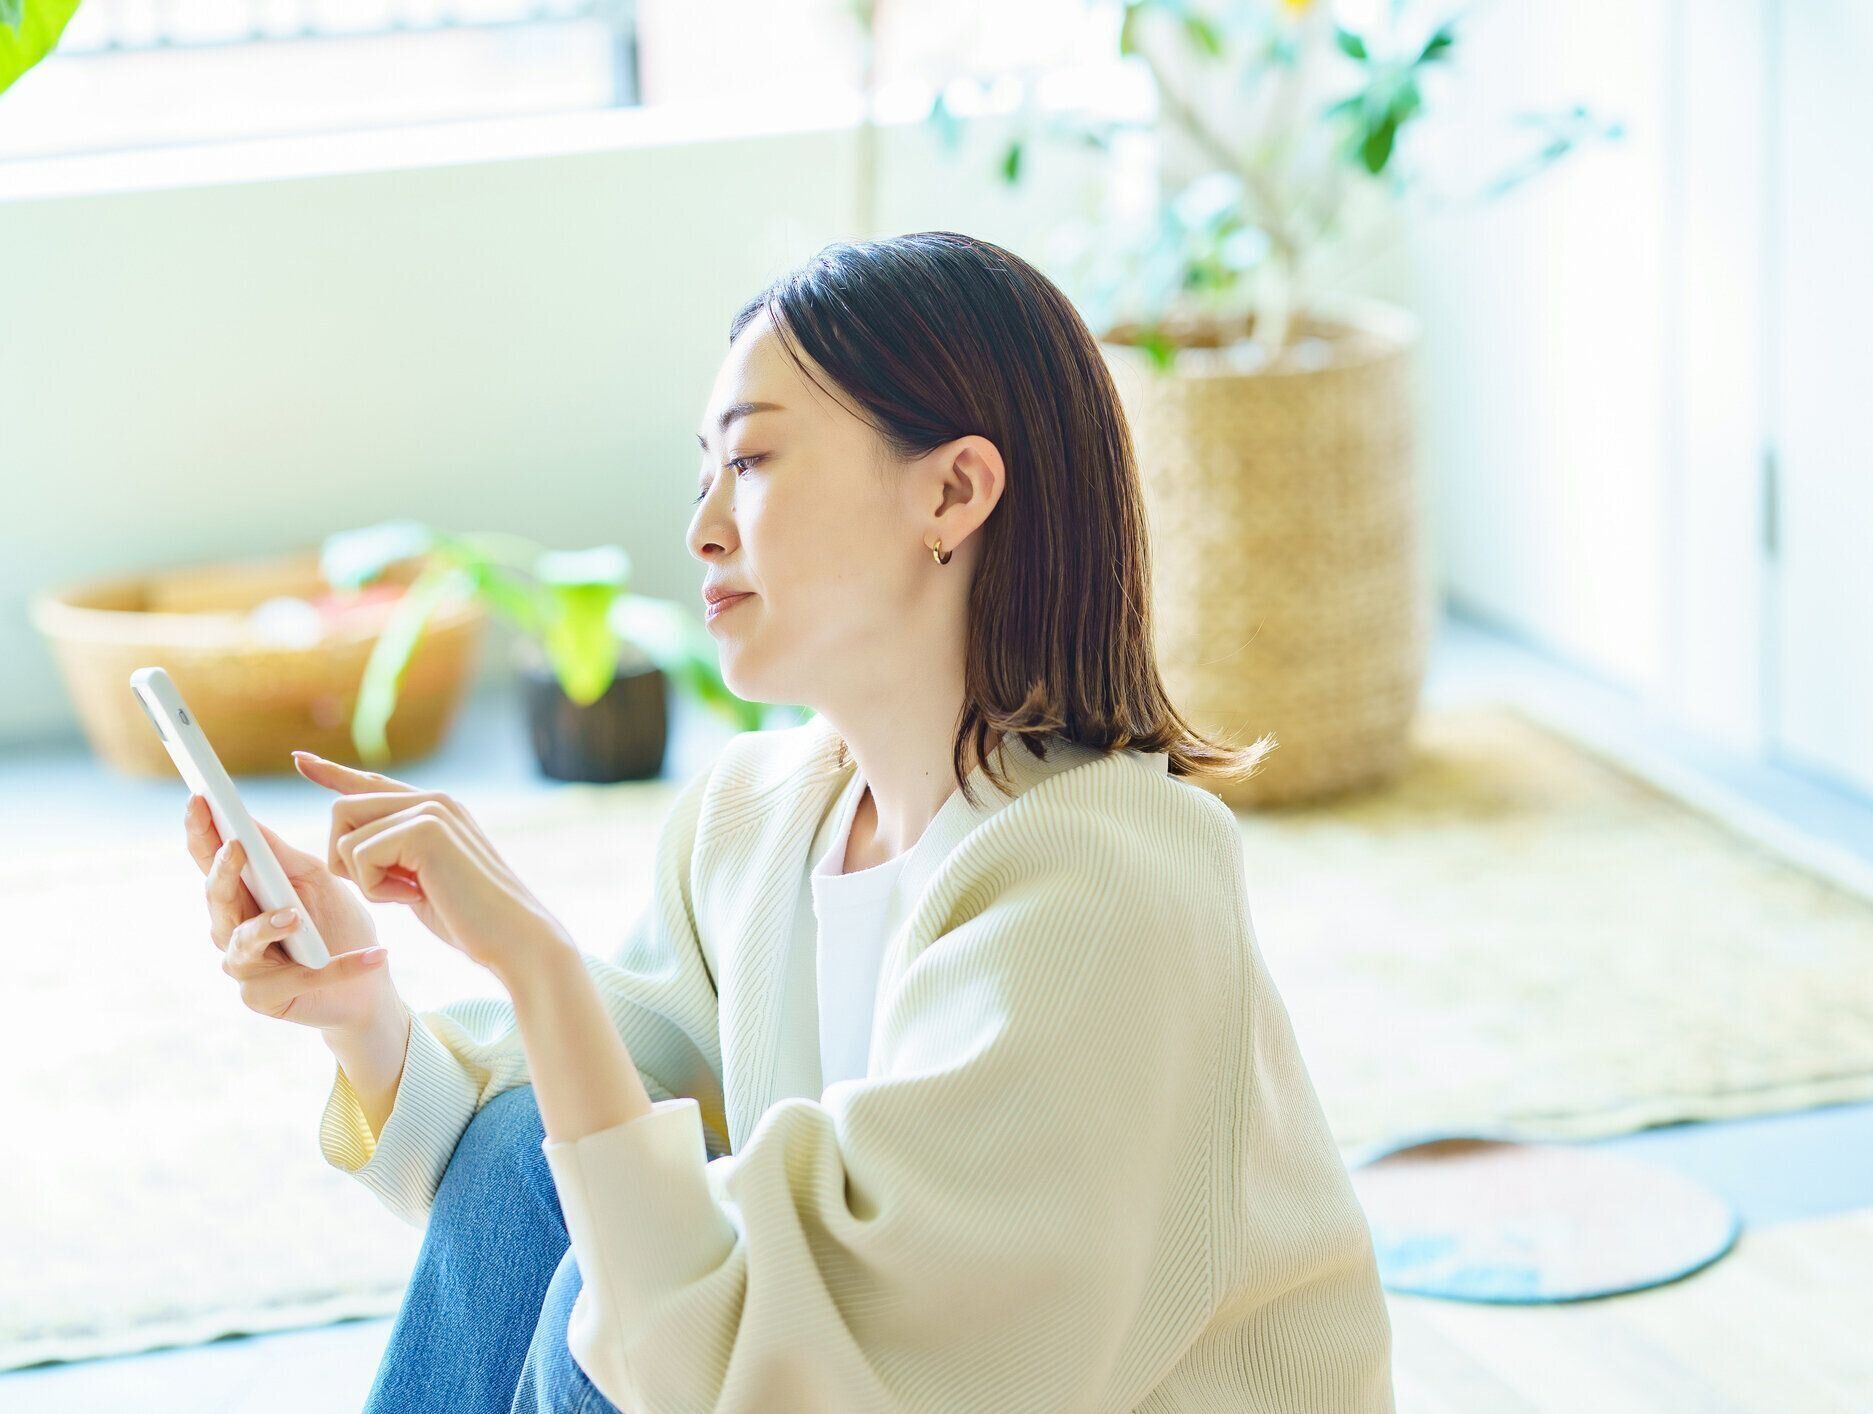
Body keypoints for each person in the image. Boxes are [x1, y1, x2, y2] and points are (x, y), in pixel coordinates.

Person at [189, 230, 1396, 1413]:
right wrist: (364, 1009)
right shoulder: (760, 817)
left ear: (954, 489)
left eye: (754, 462)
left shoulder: (1103, 888)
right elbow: (572, 1146)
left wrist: (538, 962)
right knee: (523, 1159)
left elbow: (862, 1375)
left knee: (609, 1311)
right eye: (702, 473)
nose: (703, 526)